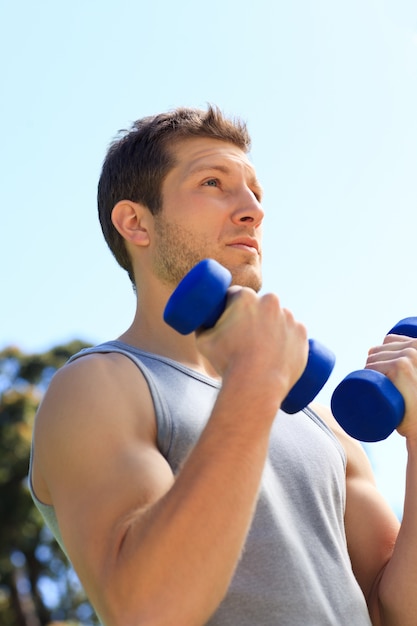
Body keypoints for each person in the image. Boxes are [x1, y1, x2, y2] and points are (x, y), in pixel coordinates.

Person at [30, 105, 417, 626]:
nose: (252, 210)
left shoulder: (320, 425)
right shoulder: (100, 386)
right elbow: (150, 610)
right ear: (136, 223)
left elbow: (397, 610)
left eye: (256, 192)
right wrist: (255, 379)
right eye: (214, 182)